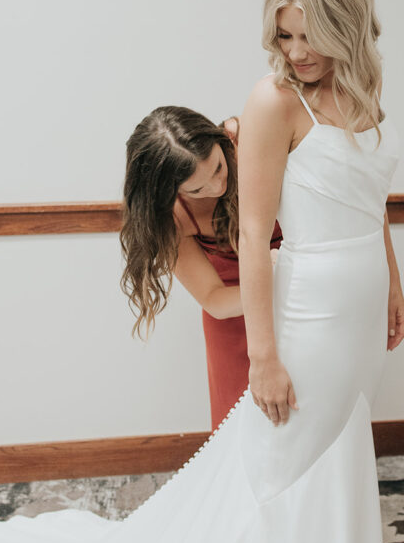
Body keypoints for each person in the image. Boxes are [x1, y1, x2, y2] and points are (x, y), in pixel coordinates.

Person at [0, 0, 404, 543]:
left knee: (332, 455)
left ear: (346, 21)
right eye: (283, 35)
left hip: (356, 312)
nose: (295, 51)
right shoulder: (273, 100)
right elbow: (254, 234)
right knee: (280, 461)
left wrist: (394, 280)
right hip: (307, 313)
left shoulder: (362, 90)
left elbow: (367, 204)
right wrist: (263, 356)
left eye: (308, 33)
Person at [119, 106, 282, 429]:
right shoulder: (172, 214)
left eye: (219, 168)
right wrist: (273, 278)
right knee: (243, 426)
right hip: (235, 315)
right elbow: (213, 298)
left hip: (304, 293)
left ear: (221, 140)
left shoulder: (252, 135)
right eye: (197, 189)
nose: (217, 186)